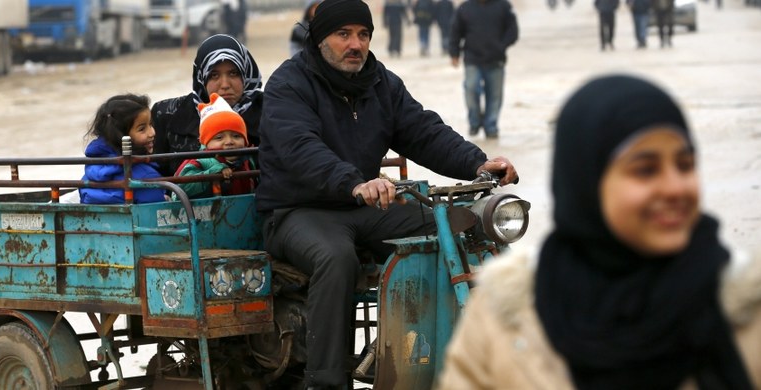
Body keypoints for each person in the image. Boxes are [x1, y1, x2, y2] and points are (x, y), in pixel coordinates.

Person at [435, 75, 761, 389]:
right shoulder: (503, 319)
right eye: (645, 170)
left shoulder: (746, 314)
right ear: (586, 183)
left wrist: (477, 161)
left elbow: (426, 131)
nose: (676, 188)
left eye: (685, 164)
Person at [255, 0, 519, 388]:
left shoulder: (381, 82)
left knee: (454, 227)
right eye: (343, 34)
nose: (355, 44)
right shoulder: (289, 84)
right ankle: (325, 380)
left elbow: (423, 131)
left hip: (366, 205)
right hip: (297, 211)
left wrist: (478, 164)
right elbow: (299, 148)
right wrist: (353, 182)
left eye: (363, 35)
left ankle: (448, 351)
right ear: (319, 39)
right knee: (336, 258)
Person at [151, 34, 263, 177]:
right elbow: (152, 174)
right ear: (201, 77)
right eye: (214, 75)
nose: (225, 85)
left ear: (245, 74)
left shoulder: (269, 111)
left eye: (233, 73)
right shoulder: (167, 114)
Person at [448, 0, 519, 138]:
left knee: (494, 96)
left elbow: (513, 30)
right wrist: (454, 53)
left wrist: (501, 46)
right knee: (471, 88)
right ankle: (474, 122)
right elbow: (455, 31)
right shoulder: (465, 8)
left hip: (496, 59)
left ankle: (491, 126)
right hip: (472, 59)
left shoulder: (503, 6)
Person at [80, 93, 166, 204]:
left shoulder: (91, 168)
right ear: (120, 135)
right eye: (142, 129)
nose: (152, 132)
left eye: (151, 124)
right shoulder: (147, 176)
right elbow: (157, 213)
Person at [174, 93, 257, 198]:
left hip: (244, 211)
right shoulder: (198, 160)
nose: (229, 142)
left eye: (236, 136)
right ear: (205, 142)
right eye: (219, 138)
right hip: (206, 213)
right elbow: (181, 188)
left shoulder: (248, 159)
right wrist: (215, 172)